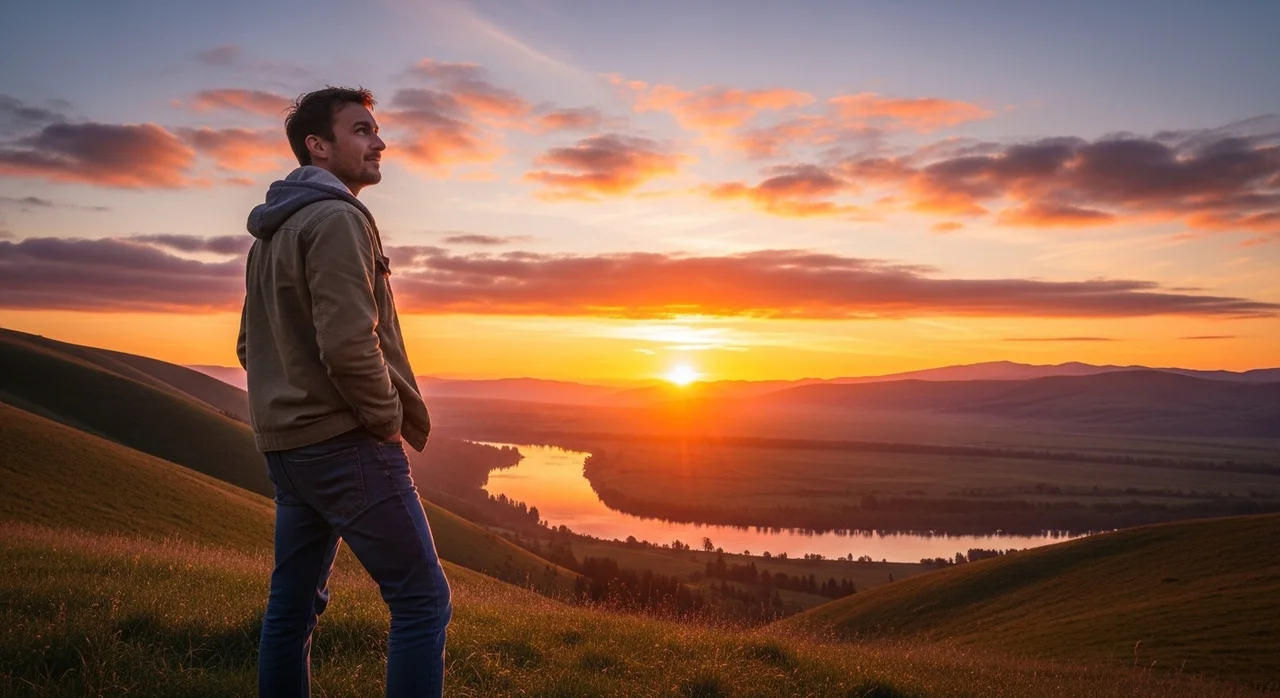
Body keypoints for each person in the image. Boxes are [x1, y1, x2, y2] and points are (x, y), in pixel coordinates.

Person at [237, 86, 450, 697]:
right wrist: (385, 422)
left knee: (293, 608)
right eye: (361, 130)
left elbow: (249, 346)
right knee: (422, 600)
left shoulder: (272, 231)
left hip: (288, 448)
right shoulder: (337, 219)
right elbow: (350, 345)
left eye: (375, 130)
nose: (379, 142)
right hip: (345, 443)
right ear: (318, 146)